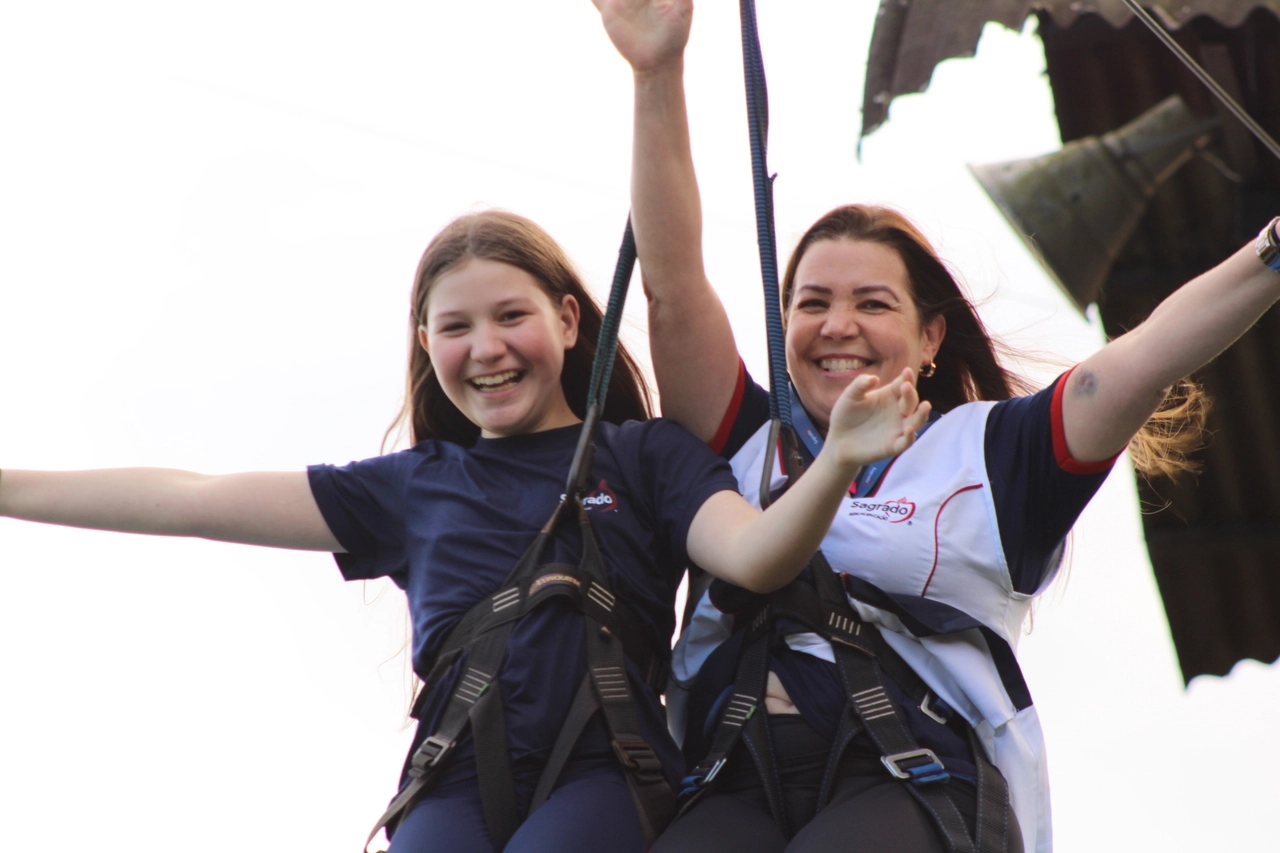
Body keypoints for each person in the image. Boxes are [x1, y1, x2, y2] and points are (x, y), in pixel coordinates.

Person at [0, 209, 931, 853]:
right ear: (426, 344)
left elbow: (756, 556)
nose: (486, 347)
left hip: (605, 775)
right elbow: (190, 499)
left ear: (568, 320)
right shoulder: (411, 488)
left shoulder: (645, 458)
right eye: (456, 327)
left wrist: (835, 462)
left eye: (511, 316)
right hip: (447, 783)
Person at [593, 1, 1280, 851]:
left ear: (929, 338)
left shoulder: (996, 456)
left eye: (872, 303)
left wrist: (1272, 251)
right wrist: (656, 71)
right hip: (733, 775)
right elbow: (670, 284)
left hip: (906, 777)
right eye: (811, 303)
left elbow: (1140, 361)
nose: (837, 325)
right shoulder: (743, 443)